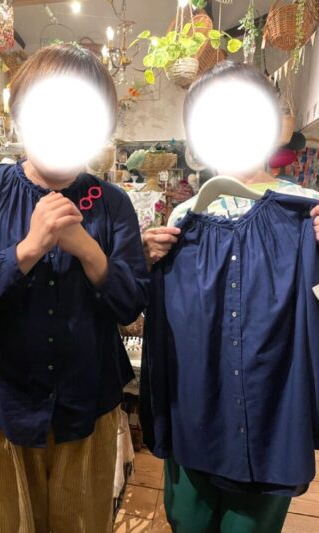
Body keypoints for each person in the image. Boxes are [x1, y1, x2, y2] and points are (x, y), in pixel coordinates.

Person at [0, 44, 149, 533]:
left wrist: (89, 252)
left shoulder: (110, 203)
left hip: (87, 403)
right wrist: (27, 250)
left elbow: (132, 302)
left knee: (83, 523)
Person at [142, 61, 319, 533]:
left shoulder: (306, 211)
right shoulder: (183, 217)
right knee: (187, 520)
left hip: (270, 418)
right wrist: (147, 259)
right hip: (194, 409)